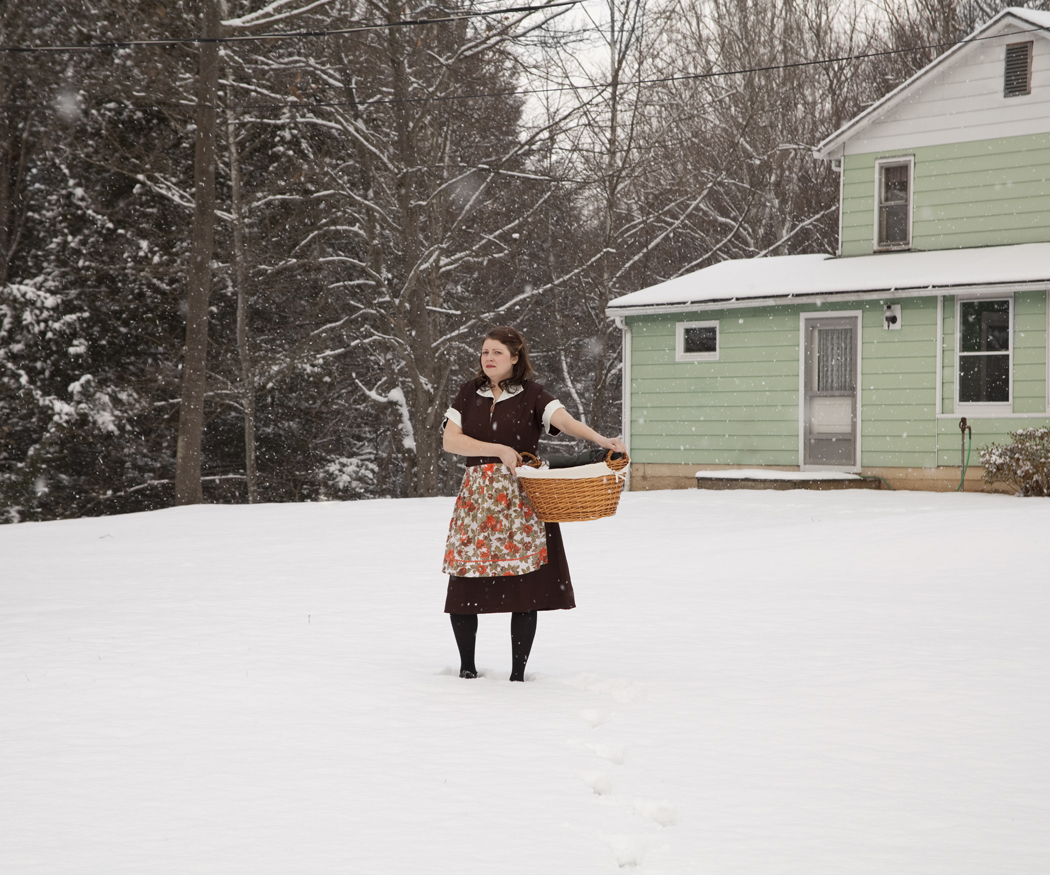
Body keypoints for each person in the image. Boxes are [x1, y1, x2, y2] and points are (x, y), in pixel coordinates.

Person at [441, 326, 627, 681]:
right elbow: (451, 441)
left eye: (497, 352)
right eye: (484, 352)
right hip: (477, 502)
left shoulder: (532, 395)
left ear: (514, 358)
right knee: (465, 582)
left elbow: (566, 422)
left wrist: (601, 439)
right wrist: (497, 449)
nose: (489, 358)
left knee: (524, 588)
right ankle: (466, 669)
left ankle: (517, 675)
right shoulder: (469, 393)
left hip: (520, 501)